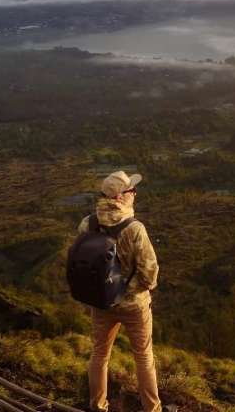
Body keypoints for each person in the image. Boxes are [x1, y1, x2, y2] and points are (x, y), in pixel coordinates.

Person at [79, 170, 160, 412]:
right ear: (119, 198)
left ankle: (97, 406)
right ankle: (152, 409)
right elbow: (150, 271)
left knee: (99, 355)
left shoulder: (87, 223)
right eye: (130, 190)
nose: (134, 193)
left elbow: (83, 263)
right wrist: (137, 292)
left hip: (101, 301)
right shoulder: (134, 228)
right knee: (144, 357)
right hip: (133, 304)